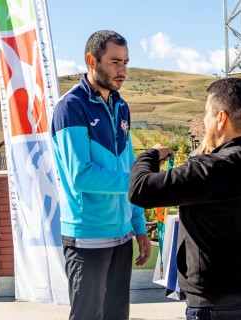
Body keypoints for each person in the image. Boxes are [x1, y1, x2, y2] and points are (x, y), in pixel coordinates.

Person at [129, 77, 241, 320]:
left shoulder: (212, 169)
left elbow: (140, 189)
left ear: (221, 118)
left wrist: (150, 154)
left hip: (217, 305)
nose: (205, 121)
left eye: (207, 114)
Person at [50, 30, 151, 320]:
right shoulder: (70, 107)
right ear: (90, 60)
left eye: (126, 62)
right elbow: (81, 176)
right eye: (115, 62)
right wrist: (138, 183)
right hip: (87, 239)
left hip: (121, 238)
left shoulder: (121, 106)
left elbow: (128, 166)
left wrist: (138, 225)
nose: (123, 70)